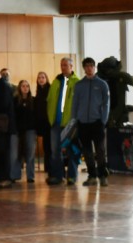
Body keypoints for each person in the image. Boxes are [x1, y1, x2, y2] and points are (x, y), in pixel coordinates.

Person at [72, 57, 111, 187]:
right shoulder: (79, 85)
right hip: (83, 123)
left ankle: (102, 175)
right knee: (87, 151)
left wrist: (103, 120)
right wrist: (74, 120)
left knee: (100, 150)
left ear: (94, 68)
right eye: (86, 66)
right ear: (84, 68)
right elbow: (75, 104)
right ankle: (92, 176)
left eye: (91, 66)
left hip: (97, 122)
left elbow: (106, 103)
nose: (89, 68)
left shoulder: (102, 84)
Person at [45, 57, 80, 186]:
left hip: (70, 123)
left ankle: (72, 176)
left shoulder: (77, 82)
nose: (63, 67)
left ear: (71, 66)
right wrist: (50, 118)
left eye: (65, 65)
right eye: (61, 65)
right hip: (55, 123)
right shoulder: (56, 82)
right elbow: (49, 101)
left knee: (72, 150)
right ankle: (57, 176)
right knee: (55, 151)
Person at [13, 80, 37, 183]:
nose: (25, 88)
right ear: (19, 87)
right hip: (17, 130)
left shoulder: (33, 100)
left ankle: (30, 176)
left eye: (27, 86)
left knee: (30, 153)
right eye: (23, 86)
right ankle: (15, 175)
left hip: (30, 130)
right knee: (16, 153)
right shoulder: (15, 100)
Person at [34, 71, 52, 178]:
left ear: (46, 79)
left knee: (49, 146)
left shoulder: (49, 89)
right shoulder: (39, 91)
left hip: (49, 121)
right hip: (43, 123)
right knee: (46, 145)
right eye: (39, 77)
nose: (41, 79)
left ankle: (50, 167)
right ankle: (47, 167)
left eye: (43, 77)